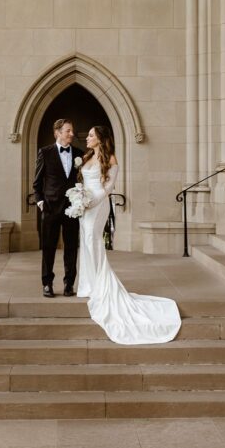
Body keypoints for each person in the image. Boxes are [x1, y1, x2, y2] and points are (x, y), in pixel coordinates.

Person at [75, 125, 182, 344]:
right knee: (84, 242)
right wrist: (79, 198)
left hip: (98, 204)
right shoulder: (86, 157)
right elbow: (83, 181)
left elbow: (108, 188)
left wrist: (91, 201)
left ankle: (100, 286)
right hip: (84, 206)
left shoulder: (111, 159)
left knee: (93, 241)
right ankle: (88, 284)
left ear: (100, 138)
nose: (87, 138)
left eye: (91, 135)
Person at [33, 119, 83, 297]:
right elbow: (37, 183)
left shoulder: (79, 154)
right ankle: (47, 283)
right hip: (50, 208)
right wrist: (41, 203)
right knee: (48, 247)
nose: (72, 134)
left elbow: (82, 180)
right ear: (58, 133)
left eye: (72, 131)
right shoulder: (45, 152)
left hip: (72, 209)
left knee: (71, 247)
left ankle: (69, 284)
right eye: (68, 131)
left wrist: (80, 200)